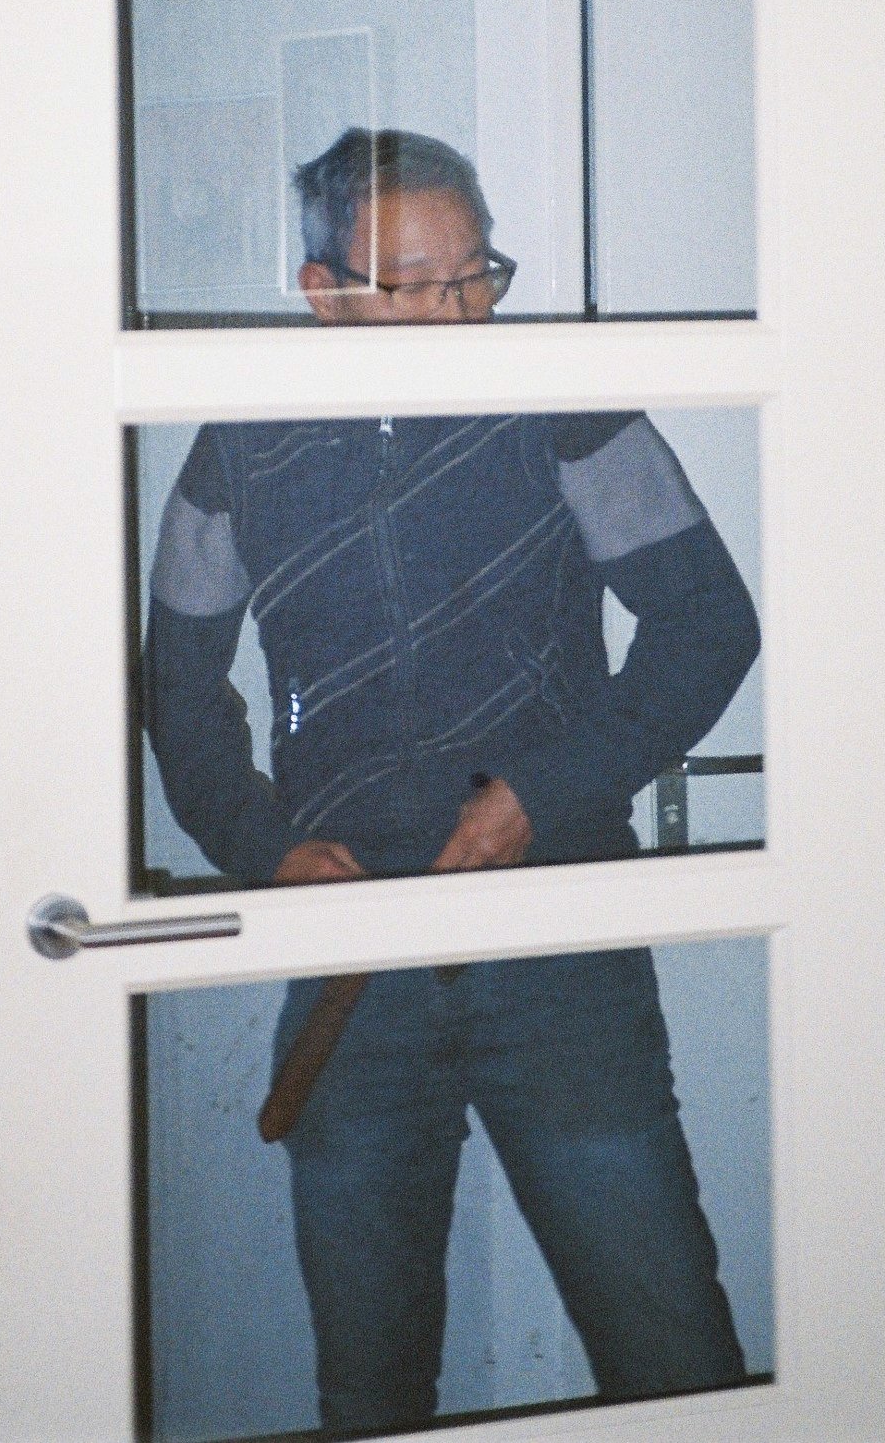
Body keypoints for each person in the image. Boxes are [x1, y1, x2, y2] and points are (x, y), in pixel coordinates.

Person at [144, 127, 761, 1434]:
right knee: (371, 1389)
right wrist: (264, 848)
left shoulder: (566, 404)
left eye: (478, 273)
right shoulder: (237, 446)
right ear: (323, 292)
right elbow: (180, 684)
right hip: (355, 961)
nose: (464, 310)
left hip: (559, 949)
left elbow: (708, 621)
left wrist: (542, 787)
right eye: (421, 284)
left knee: (672, 1356)